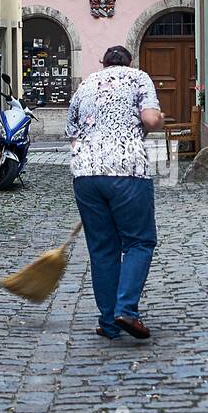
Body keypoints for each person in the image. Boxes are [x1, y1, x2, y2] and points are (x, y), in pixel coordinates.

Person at [65, 45, 165, 339]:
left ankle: (109, 323)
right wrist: (159, 119)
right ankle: (126, 311)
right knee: (139, 242)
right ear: (129, 62)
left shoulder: (85, 84)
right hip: (127, 170)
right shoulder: (138, 78)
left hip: (86, 174)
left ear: (103, 63)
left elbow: (72, 133)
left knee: (102, 249)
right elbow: (149, 120)